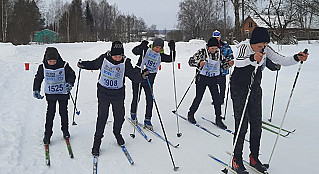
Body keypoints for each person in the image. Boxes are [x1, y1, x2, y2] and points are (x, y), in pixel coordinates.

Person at [230, 27, 308, 174]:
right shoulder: (243, 47)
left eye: (264, 45)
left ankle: (254, 157)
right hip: (239, 89)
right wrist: (252, 58)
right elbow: (238, 62)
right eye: (259, 46)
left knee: (256, 124)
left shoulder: (266, 49)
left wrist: (297, 57)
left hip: (254, 89)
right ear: (253, 43)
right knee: (242, 125)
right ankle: (237, 159)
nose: (262, 48)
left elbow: (282, 60)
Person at [77, 41, 148, 156]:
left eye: (119, 56)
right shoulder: (104, 58)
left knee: (119, 117)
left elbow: (133, 75)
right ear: (111, 54)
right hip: (103, 93)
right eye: (115, 56)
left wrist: (142, 76)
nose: (117, 58)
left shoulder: (125, 62)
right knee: (102, 118)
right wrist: (83, 64)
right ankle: (96, 144)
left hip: (118, 94)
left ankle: (117, 133)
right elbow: (94, 64)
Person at [130, 38, 175, 130]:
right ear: (153, 46)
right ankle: (133, 115)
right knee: (136, 97)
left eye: (160, 48)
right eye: (156, 47)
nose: (158, 49)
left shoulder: (160, 56)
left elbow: (172, 58)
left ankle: (147, 119)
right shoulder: (145, 50)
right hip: (138, 77)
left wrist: (172, 49)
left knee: (150, 100)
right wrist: (141, 46)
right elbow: (134, 51)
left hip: (149, 81)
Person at [33, 47, 76, 145]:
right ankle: (47, 135)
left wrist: (69, 83)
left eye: (54, 61)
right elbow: (38, 78)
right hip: (51, 94)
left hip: (62, 93)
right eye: (50, 61)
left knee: (63, 112)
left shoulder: (64, 65)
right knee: (50, 114)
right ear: (46, 59)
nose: (52, 63)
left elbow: (72, 75)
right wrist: (36, 89)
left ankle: (65, 131)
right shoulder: (43, 67)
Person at [187, 37, 227, 129]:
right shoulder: (202, 52)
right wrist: (199, 63)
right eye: (212, 48)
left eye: (215, 48)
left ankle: (218, 118)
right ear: (208, 47)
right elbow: (190, 61)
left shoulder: (219, 53)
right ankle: (191, 113)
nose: (214, 50)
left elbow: (223, 64)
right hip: (202, 78)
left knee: (216, 99)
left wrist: (228, 64)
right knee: (199, 97)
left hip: (213, 78)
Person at [212, 30, 234, 105]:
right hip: (213, 69)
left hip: (222, 69)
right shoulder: (211, 46)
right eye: (215, 37)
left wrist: (229, 61)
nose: (216, 39)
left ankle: (221, 99)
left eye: (217, 37)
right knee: (213, 85)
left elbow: (231, 55)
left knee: (222, 85)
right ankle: (216, 99)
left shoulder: (225, 46)